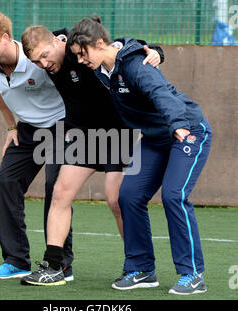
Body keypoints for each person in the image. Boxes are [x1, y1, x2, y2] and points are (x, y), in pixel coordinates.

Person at [66, 15, 213, 295]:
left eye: (83, 54)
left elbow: (160, 93)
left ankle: (192, 274)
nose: (81, 61)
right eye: (77, 55)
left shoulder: (135, 66)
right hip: (156, 137)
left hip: (187, 130)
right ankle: (142, 269)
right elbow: (130, 44)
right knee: (129, 195)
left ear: (99, 43)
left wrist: (178, 124)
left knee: (174, 196)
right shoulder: (103, 67)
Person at [19, 24, 164, 286]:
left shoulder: (79, 48)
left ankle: (140, 267)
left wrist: (154, 50)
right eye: (35, 61)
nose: (42, 64)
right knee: (60, 192)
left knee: (115, 199)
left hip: (118, 131)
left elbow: (116, 43)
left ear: (57, 42)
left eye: (44, 55)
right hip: (82, 133)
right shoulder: (49, 58)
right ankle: (54, 266)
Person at [0, 11, 74, 281]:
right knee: (5, 181)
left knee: (57, 189)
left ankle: (60, 264)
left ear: (5, 38)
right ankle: (16, 260)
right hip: (27, 130)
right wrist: (11, 125)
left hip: (61, 126)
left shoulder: (35, 59)